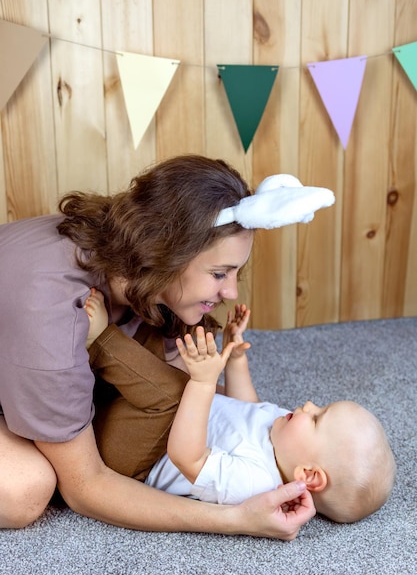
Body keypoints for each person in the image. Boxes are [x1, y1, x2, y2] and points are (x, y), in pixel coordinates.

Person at [0, 154, 335, 536]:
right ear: (167, 255)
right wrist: (237, 519)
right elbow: (85, 486)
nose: (230, 291)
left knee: (187, 384)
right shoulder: (54, 318)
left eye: (235, 272)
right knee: (26, 487)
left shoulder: (133, 253)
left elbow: (215, 404)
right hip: (33, 342)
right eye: (218, 273)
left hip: (28, 347)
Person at [86, 293, 396, 524]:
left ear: (309, 474)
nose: (309, 405)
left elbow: (186, 456)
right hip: (149, 420)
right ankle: (108, 346)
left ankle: (99, 339)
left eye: (316, 418)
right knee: (173, 348)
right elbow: (247, 407)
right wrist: (235, 358)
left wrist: (204, 384)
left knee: (175, 391)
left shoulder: (256, 482)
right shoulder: (283, 432)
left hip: (140, 456)